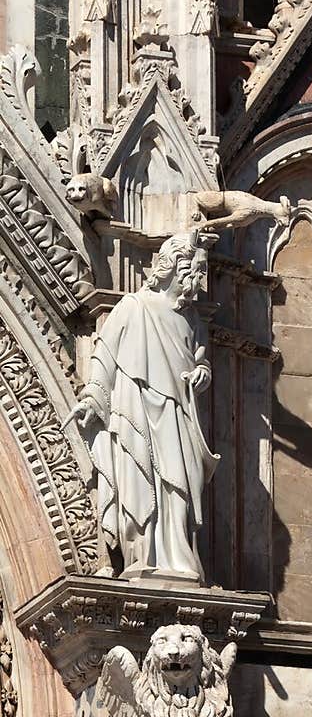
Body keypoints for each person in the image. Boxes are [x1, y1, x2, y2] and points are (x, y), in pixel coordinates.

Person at [69, 231, 218, 583]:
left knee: (179, 483)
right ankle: (143, 553)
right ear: (172, 270)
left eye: (200, 273)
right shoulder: (134, 307)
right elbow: (105, 354)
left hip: (178, 413)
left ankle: (178, 557)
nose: (197, 280)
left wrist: (202, 373)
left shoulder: (193, 320)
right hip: (136, 409)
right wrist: (92, 398)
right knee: (141, 480)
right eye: (193, 272)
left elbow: (200, 358)